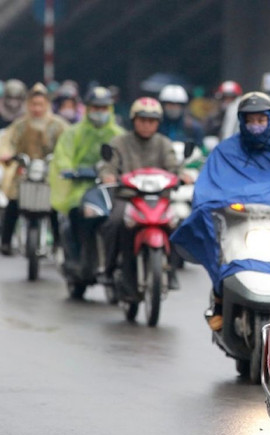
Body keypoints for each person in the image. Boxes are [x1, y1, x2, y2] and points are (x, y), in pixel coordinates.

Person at [171, 91, 270, 331]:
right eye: (250, 120)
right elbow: (207, 189)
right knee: (219, 247)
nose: (256, 125)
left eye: (261, 120)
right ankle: (220, 301)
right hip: (239, 223)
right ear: (241, 121)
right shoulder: (224, 152)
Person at [100, 97, 192, 298]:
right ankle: (108, 269)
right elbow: (109, 165)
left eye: (151, 121)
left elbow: (173, 167)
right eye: (142, 120)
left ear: (158, 123)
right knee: (115, 222)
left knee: (177, 223)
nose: (146, 125)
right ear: (133, 120)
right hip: (128, 198)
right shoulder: (120, 142)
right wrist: (108, 174)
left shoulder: (163, 143)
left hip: (158, 199)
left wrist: (181, 176)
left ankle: (173, 270)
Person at [48, 86, 124, 263]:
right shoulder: (73, 133)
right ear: (88, 109)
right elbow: (63, 156)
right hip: (81, 186)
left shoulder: (119, 135)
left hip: (109, 188)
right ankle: (76, 256)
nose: (99, 112)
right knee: (76, 211)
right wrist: (69, 170)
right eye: (96, 108)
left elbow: (125, 160)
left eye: (104, 108)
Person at [0, 82, 69, 255]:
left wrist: (64, 161)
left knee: (53, 205)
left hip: (49, 171)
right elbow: (8, 141)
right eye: (33, 104)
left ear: (46, 104)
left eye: (40, 104)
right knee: (13, 202)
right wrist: (7, 154)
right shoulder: (20, 124)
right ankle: (6, 241)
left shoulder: (57, 125)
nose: (37, 108)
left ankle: (58, 242)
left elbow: (68, 145)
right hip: (25, 170)